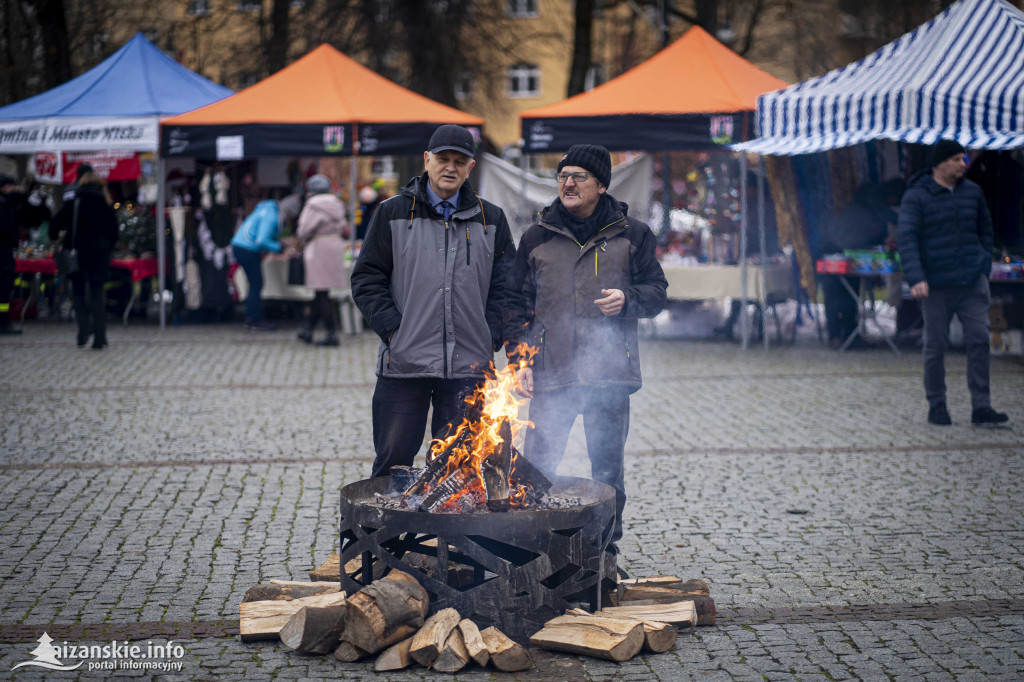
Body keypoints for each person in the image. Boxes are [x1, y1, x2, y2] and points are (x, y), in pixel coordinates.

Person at [505, 144, 667, 549]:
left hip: (608, 376)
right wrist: (519, 360)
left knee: (607, 474)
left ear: (600, 184)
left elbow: (657, 292)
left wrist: (629, 298)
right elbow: (515, 304)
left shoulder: (633, 234)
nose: (568, 183)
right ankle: (531, 548)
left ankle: (604, 553)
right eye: (563, 176)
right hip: (550, 372)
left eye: (578, 176)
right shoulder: (537, 237)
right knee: (536, 468)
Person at [351, 124, 516, 479]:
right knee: (392, 462)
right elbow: (367, 278)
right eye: (443, 159)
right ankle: (386, 536)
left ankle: (454, 537)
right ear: (427, 160)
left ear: (471, 167)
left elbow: (508, 286)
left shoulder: (491, 219)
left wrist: (491, 335)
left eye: (460, 161)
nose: (450, 168)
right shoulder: (392, 213)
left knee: (458, 469)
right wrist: (395, 331)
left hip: (468, 365)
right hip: (405, 362)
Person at [897, 140, 1007, 426]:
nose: (964, 164)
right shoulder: (917, 196)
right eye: (958, 159)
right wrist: (916, 277)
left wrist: (982, 263)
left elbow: (986, 229)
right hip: (935, 286)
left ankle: (981, 406)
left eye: (964, 158)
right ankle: (937, 404)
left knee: (980, 341)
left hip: (972, 282)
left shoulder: (973, 192)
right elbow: (906, 239)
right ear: (941, 162)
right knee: (935, 345)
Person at [821, 178, 906, 347]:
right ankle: (837, 335)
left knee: (847, 295)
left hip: (844, 251)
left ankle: (847, 334)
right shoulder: (874, 200)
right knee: (837, 295)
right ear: (892, 196)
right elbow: (887, 219)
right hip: (837, 251)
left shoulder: (868, 198)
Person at [49, 172, 119, 349]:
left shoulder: (74, 204)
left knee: (78, 294)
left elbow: (53, 227)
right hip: (99, 256)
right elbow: (114, 234)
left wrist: (63, 238)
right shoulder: (106, 205)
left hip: (77, 255)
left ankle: (83, 331)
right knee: (97, 295)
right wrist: (106, 247)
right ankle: (100, 336)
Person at [230, 189, 301, 331]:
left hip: (242, 247)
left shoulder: (268, 210)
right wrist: (280, 247)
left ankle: (253, 317)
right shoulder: (272, 216)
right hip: (246, 249)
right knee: (257, 283)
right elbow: (262, 240)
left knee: (255, 283)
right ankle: (254, 319)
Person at [294, 174, 347, 347]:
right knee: (321, 292)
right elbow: (343, 225)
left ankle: (332, 333)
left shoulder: (313, 205)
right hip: (334, 245)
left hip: (318, 248)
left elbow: (304, 230)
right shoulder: (337, 203)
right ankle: (308, 329)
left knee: (322, 292)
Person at [0, 174, 21, 335]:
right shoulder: (3, 205)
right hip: (3, 253)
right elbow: (7, 229)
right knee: (4, 288)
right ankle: (4, 321)